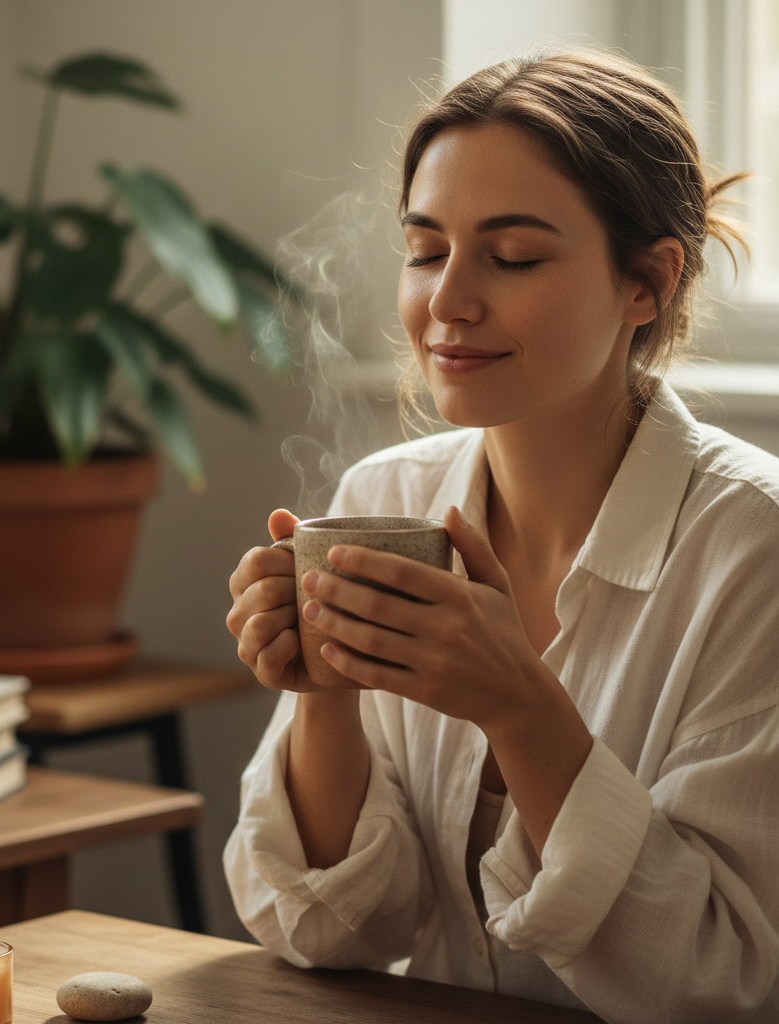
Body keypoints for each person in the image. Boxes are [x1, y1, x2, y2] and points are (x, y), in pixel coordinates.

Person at [223, 48, 779, 1023]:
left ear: (647, 281)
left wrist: (522, 708)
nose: (446, 301)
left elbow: (719, 980)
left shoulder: (751, 549)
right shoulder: (384, 497)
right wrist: (326, 696)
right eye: (426, 249)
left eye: (512, 256)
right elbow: (337, 935)